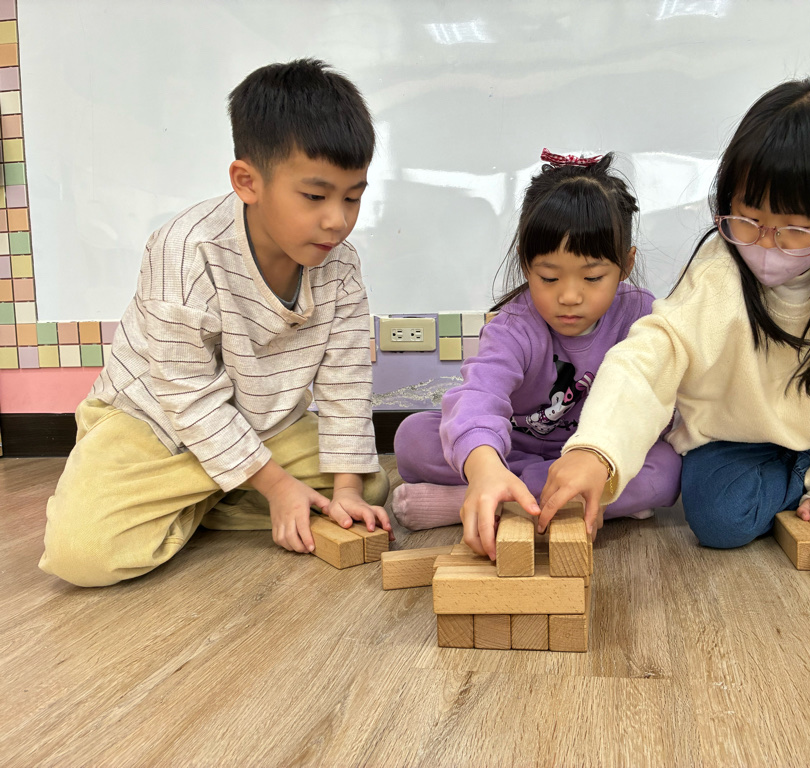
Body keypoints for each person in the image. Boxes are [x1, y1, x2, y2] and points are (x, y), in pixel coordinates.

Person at [539, 79, 810, 548]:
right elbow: (650, 355)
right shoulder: (719, 273)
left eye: (795, 228)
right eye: (748, 219)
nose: (766, 243)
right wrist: (597, 449)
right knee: (719, 519)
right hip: (736, 442)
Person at [39, 59, 392, 587]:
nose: (337, 220)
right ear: (247, 182)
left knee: (366, 488)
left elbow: (345, 382)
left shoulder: (340, 266)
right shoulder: (185, 249)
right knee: (82, 556)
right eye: (315, 197)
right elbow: (185, 395)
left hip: (263, 427)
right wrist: (276, 486)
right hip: (154, 423)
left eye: (353, 197)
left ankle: (212, 491)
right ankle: (227, 486)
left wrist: (344, 491)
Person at [393, 150, 681, 558]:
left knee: (668, 469)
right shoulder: (514, 326)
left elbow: (658, 404)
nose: (569, 296)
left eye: (592, 277)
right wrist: (485, 467)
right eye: (549, 277)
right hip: (514, 448)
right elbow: (478, 396)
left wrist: (600, 459)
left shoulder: (640, 315)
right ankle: (541, 497)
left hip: (594, 455)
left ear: (626, 264)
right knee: (412, 438)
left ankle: (484, 502)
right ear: (526, 265)